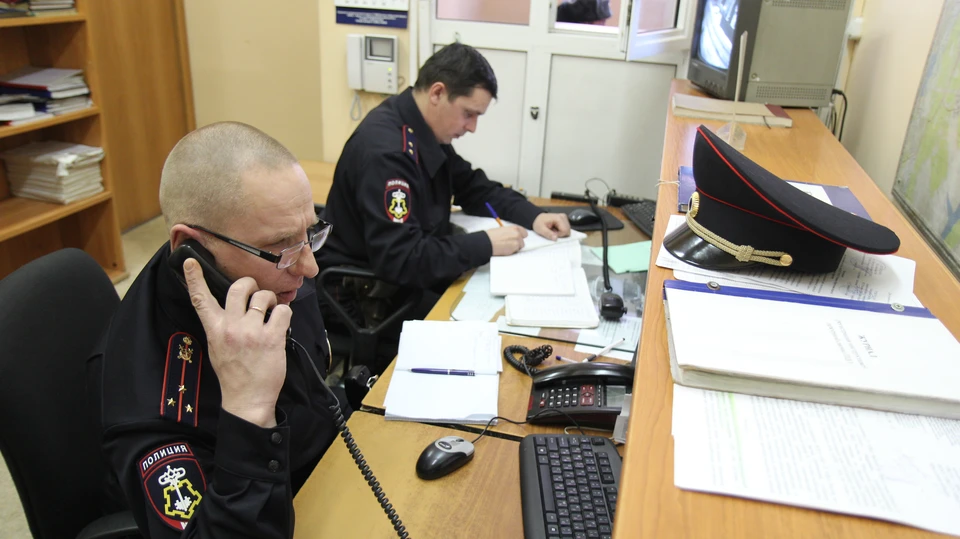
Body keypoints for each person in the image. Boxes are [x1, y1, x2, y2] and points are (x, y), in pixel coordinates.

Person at [88, 122, 344, 537]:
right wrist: (248, 409)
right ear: (192, 248)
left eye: (310, 234)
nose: (309, 267)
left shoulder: (272, 270)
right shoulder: (150, 394)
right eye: (282, 246)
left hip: (325, 472)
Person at [317, 42, 571, 333]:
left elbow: (475, 188)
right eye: (468, 113)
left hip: (397, 278)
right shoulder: (388, 154)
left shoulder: (421, 130)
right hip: (365, 295)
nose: (472, 127)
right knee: (488, 328)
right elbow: (401, 258)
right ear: (437, 92)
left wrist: (533, 215)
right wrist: (486, 244)